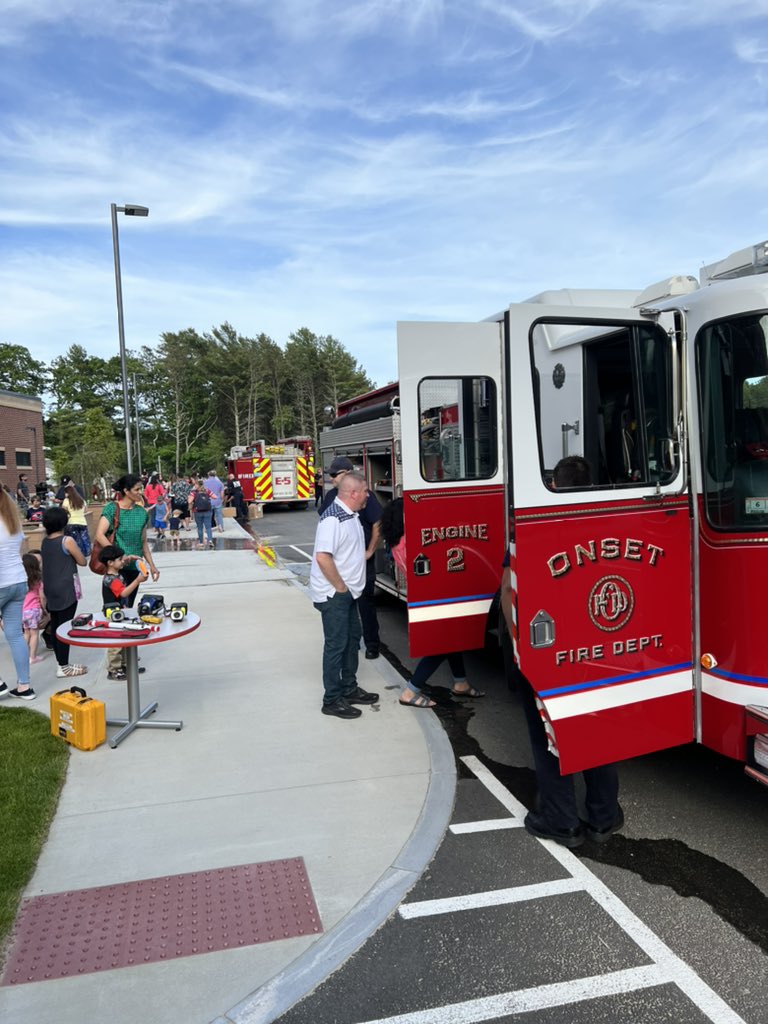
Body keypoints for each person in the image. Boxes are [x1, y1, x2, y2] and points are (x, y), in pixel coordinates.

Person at [518, 455, 622, 848]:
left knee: (549, 736)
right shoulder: (613, 523)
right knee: (601, 729)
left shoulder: (536, 531)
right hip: (602, 648)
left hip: (552, 654)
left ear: (555, 487)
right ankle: (603, 817)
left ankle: (561, 821)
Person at [379, 498, 484, 708]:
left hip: (426, 594)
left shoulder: (396, 542)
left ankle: (460, 681)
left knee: (453, 639)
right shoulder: (409, 541)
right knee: (441, 646)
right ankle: (411, 690)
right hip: (432, 594)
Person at [309, 472, 379, 719]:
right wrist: (340, 588)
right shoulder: (333, 520)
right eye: (365, 492)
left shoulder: (351, 515)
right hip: (334, 594)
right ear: (353, 493)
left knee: (352, 640)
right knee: (337, 645)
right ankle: (332, 699)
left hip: (349, 592)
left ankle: (349, 689)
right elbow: (322, 557)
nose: (368, 496)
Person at [94, 475, 160, 677]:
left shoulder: (141, 513)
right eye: (138, 489)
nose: (141, 492)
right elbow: (99, 535)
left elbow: (143, 543)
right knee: (116, 615)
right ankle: (114, 666)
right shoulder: (112, 509)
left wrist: (151, 565)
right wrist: (119, 557)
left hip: (134, 570)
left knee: (128, 613)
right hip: (117, 568)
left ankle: (126, 661)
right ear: (126, 491)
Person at [318, 457, 382, 660]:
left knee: (366, 605)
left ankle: (371, 644)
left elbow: (377, 522)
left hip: (360, 564)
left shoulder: (366, 497)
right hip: (340, 569)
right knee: (346, 617)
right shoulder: (331, 498)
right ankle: (350, 650)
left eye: (334, 475)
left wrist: (370, 550)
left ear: (346, 473)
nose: (331, 478)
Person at [40, 506, 88, 679]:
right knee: (65, 627)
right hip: (66, 589)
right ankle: (63, 666)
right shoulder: (66, 541)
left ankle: (62, 663)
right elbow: (83, 561)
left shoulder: (44, 541)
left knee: (56, 625)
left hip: (51, 589)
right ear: (63, 522)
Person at [0, 485, 35, 699]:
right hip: (18, 581)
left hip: (2, 582)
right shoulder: (12, 521)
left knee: (14, 635)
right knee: (14, 635)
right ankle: (25, 686)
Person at [99, 545, 148, 680]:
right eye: (120, 559)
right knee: (116, 643)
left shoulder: (115, 571)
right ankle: (114, 669)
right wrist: (137, 580)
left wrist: (130, 559)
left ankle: (126, 664)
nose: (123, 561)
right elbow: (123, 592)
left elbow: (122, 562)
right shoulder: (111, 579)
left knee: (126, 638)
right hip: (113, 614)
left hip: (122, 611)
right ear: (110, 562)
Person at [22, 552, 46, 664]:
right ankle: (33, 657)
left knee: (26, 633)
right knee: (34, 634)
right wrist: (44, 609)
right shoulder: (37, 580)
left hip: (23, 611)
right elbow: (42, 596)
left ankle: (22, 655)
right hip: (34, 610)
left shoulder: (22, 581)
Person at [62, 481, 91, 557]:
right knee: (84, 539)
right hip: (82, 522)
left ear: (68, 493)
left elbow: (64, 511)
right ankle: (86, 553)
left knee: (74, 541)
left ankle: (77, 555)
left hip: (71, 523)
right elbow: (85, 510)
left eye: (65, 493)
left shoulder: (66, 501)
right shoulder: (82, 501)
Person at [190, 480, 214, 548]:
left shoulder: (194, 493)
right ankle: (210, 540)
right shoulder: (207, 491)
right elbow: (215, 497)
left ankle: (201, 542)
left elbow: (189, 501)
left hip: (197, 512)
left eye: (195, 484)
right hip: (207, 511)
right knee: (208, 527)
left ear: (197, 485)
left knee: (200, 527)